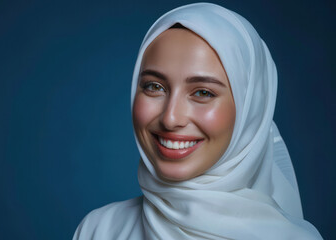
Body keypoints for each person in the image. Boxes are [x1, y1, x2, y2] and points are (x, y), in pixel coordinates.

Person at [73, 3, 323, 239]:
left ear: (250, 111)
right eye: (154, 86)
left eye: (203, 92)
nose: (171, 118)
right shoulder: (99, 230)